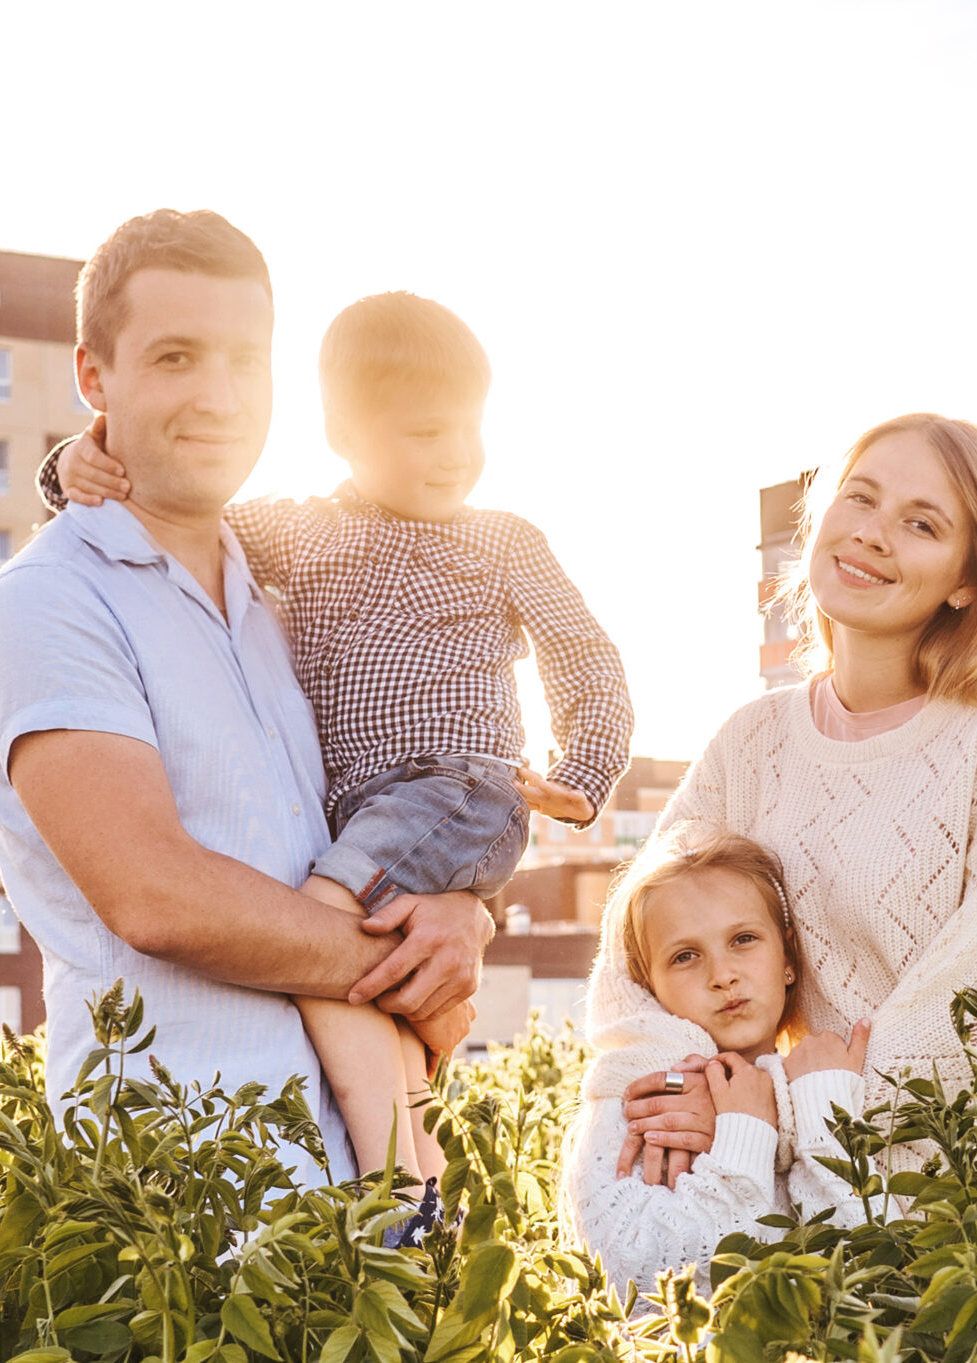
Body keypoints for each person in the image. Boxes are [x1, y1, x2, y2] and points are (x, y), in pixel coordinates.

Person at [42, 293, 633, 1206]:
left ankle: (397, 1186)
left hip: (454, 788)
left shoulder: (504, 540)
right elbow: (169, 509)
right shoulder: (302, 529)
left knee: (320, 929)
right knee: (382, 970)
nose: (457, 455)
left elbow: (586, 655)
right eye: (427, 433)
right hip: (360, 807)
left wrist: (583, 773)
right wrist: (75, 465)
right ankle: (424, 1171)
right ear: (344, 436)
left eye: (471, 428)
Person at [0, 211, 493, 1190]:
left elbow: (386, 805)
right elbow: (156, 894)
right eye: (175, 357)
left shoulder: (290, 600)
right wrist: (402, 972)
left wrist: (461, 915)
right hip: (183, 1213)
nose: (219, 395)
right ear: (93, 378)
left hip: (371, 1210)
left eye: (246, 360)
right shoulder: (48, 604)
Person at [606, 412, 977, 1211]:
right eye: (860, 499)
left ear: (969, 579)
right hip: (851, 1170)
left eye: (921, 523)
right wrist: (668, 1086)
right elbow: (633, 949)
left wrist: (770, 1107)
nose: (872, 533)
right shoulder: (750, 742)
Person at [562, 823, 870, 1295]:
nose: (722, 975)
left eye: (743, 939)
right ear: (649, 987)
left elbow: (869, 1270)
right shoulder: (643, 1106)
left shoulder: (816, 1083)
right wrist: (745, 1134)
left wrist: (821, 1112)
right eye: (685, 956)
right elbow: (634, 1281)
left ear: (788, 956)